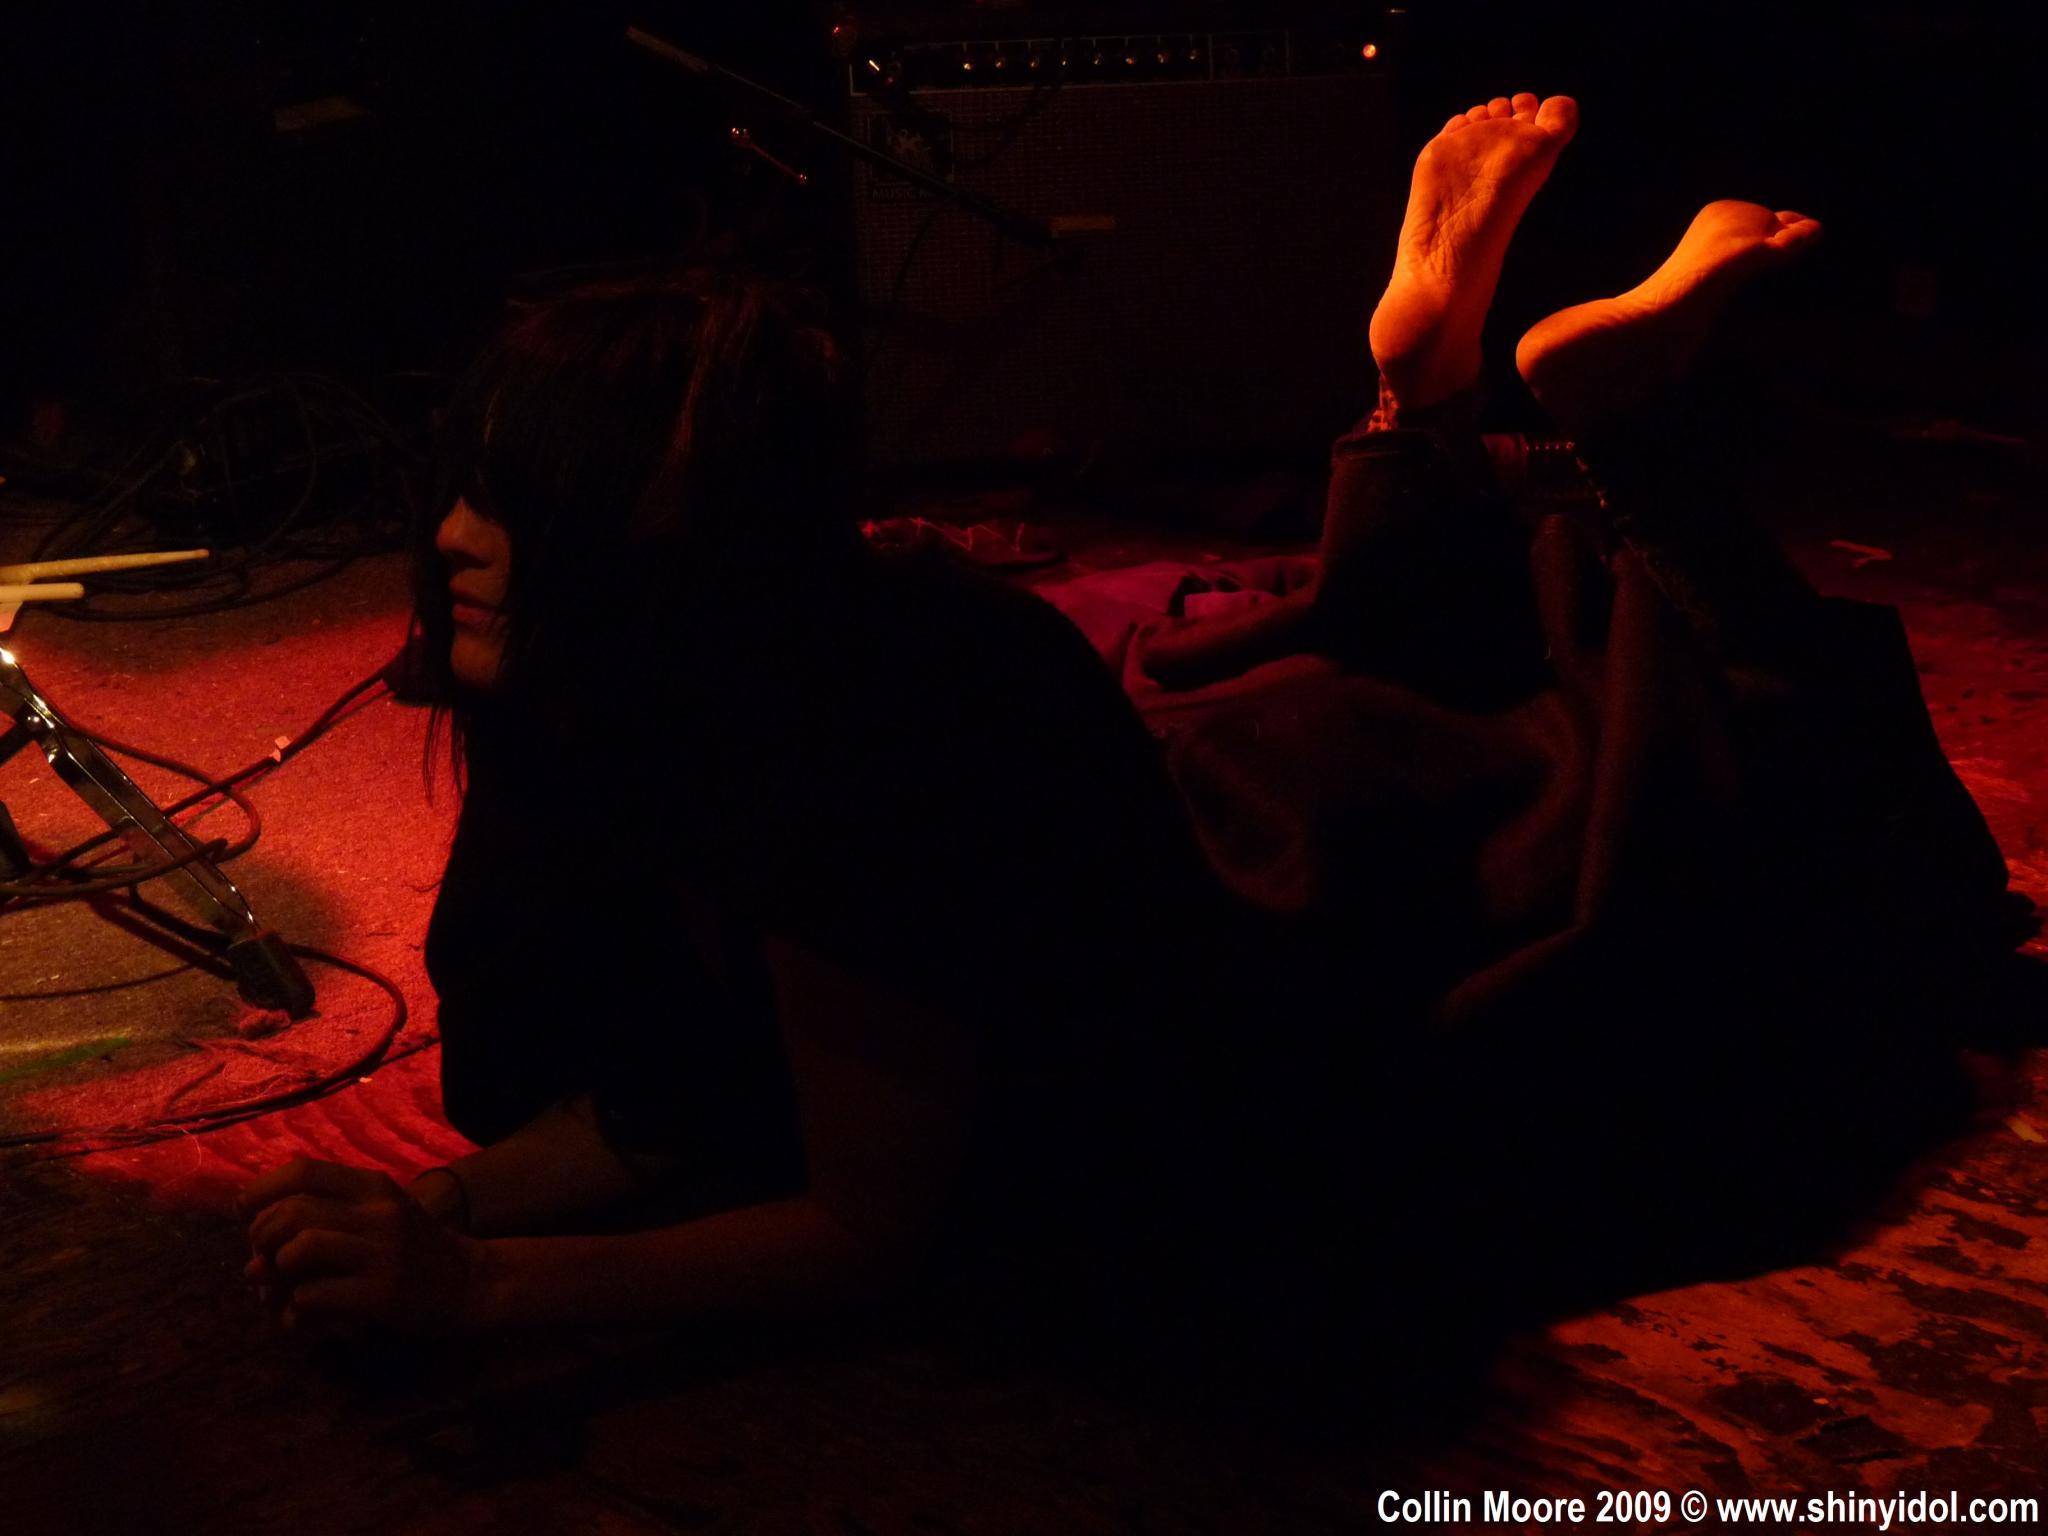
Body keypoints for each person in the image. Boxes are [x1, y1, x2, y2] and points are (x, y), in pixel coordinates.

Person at [241, 94, 2019, 1336]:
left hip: (1329, 963)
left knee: (1794, 838)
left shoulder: (833, 752)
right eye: (464, 487)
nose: (451, 539)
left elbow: (869, 1227)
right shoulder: (709, 679)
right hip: (1253, 816)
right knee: (1473, 672)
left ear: (659, 543)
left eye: (512, 500)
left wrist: (477, 1288)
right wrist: (445, 1205)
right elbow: (680, 1092)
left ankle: (1612, 432)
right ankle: (1424, 393)